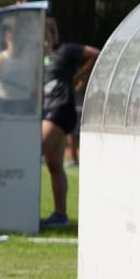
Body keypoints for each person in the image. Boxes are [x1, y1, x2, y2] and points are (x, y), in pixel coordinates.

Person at [40, 16, 99, 227]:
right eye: (47, 29)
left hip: (60, 110)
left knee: (33, 153)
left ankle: (24, 212)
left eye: (54, 28)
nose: (51, 32)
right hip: (48, 110)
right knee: (54, 164)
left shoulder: (65, 50)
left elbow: (95, 53)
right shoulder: (41, 56)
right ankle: (60, 215)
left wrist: (78, 77)